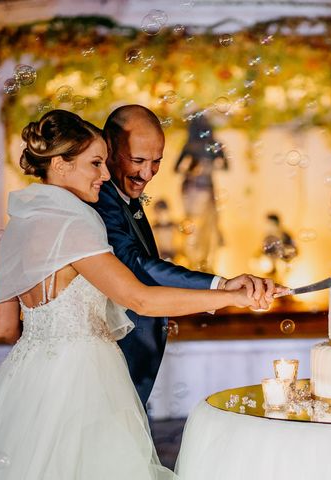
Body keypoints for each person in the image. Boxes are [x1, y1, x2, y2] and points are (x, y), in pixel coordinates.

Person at [0, 110, 274, 479]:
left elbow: (3, 327)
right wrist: (230, 296)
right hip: (87, 380)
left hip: (29, 382)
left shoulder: (20, 222)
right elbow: (140, 299)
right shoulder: (77, 222)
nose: (104, 174)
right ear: (60, 165)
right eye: (95, 163)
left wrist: (49, 343)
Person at [92, 105, 275, 407]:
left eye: (156, 162)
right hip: (108, 358)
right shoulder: (102, 199)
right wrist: (221, 288)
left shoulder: (123, 195)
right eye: (138, 160)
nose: (147, 173)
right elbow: (136, 267)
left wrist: (222, 284)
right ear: (109, 148)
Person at [174, 112, 227, 272]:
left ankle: (198, 261)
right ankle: (198, 261)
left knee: (197, 226)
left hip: (194, 190)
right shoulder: (211, 144)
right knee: (201, 226)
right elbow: (225, 166)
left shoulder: (190, 145)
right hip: (201, 190)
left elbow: (176, 169)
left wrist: (191, 168)